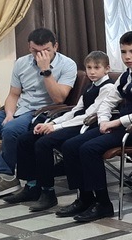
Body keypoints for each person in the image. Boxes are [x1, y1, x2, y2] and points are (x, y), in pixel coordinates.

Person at [56, 31, 132, 222]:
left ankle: (103, 204)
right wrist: (104, 120)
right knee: (70, 145)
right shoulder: (125, 76)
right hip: (121, 126)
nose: (127, 57)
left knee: (89, 149)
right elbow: (108, 102)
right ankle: (85, 198)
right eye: (123, 52)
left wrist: (116, 122)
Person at [0, 28, 77, 199]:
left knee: (10, 130)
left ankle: (6, 179)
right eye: (35, 51)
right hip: (19, 109)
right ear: (29, 48)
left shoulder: (68, 64)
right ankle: (4, 175)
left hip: (41, 112)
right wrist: (9, 113)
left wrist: (46, 70)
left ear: (55, 46)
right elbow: (14, 94)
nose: (40, 55)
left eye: (46, 51)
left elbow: (59, 98)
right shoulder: (21, 63)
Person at [8, 51, 114, 212]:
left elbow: (88, 115)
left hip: (87, 126)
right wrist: (51, 122)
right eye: (89, 68)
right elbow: (75, 110)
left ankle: (48, 192)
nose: (92, 72)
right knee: (26, 139)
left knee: (44, 143)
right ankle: (32, 186)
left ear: (107, 69)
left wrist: (56, 127)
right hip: (74, 122)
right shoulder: (90, 86)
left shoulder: (108, 88)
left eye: (96, 68)